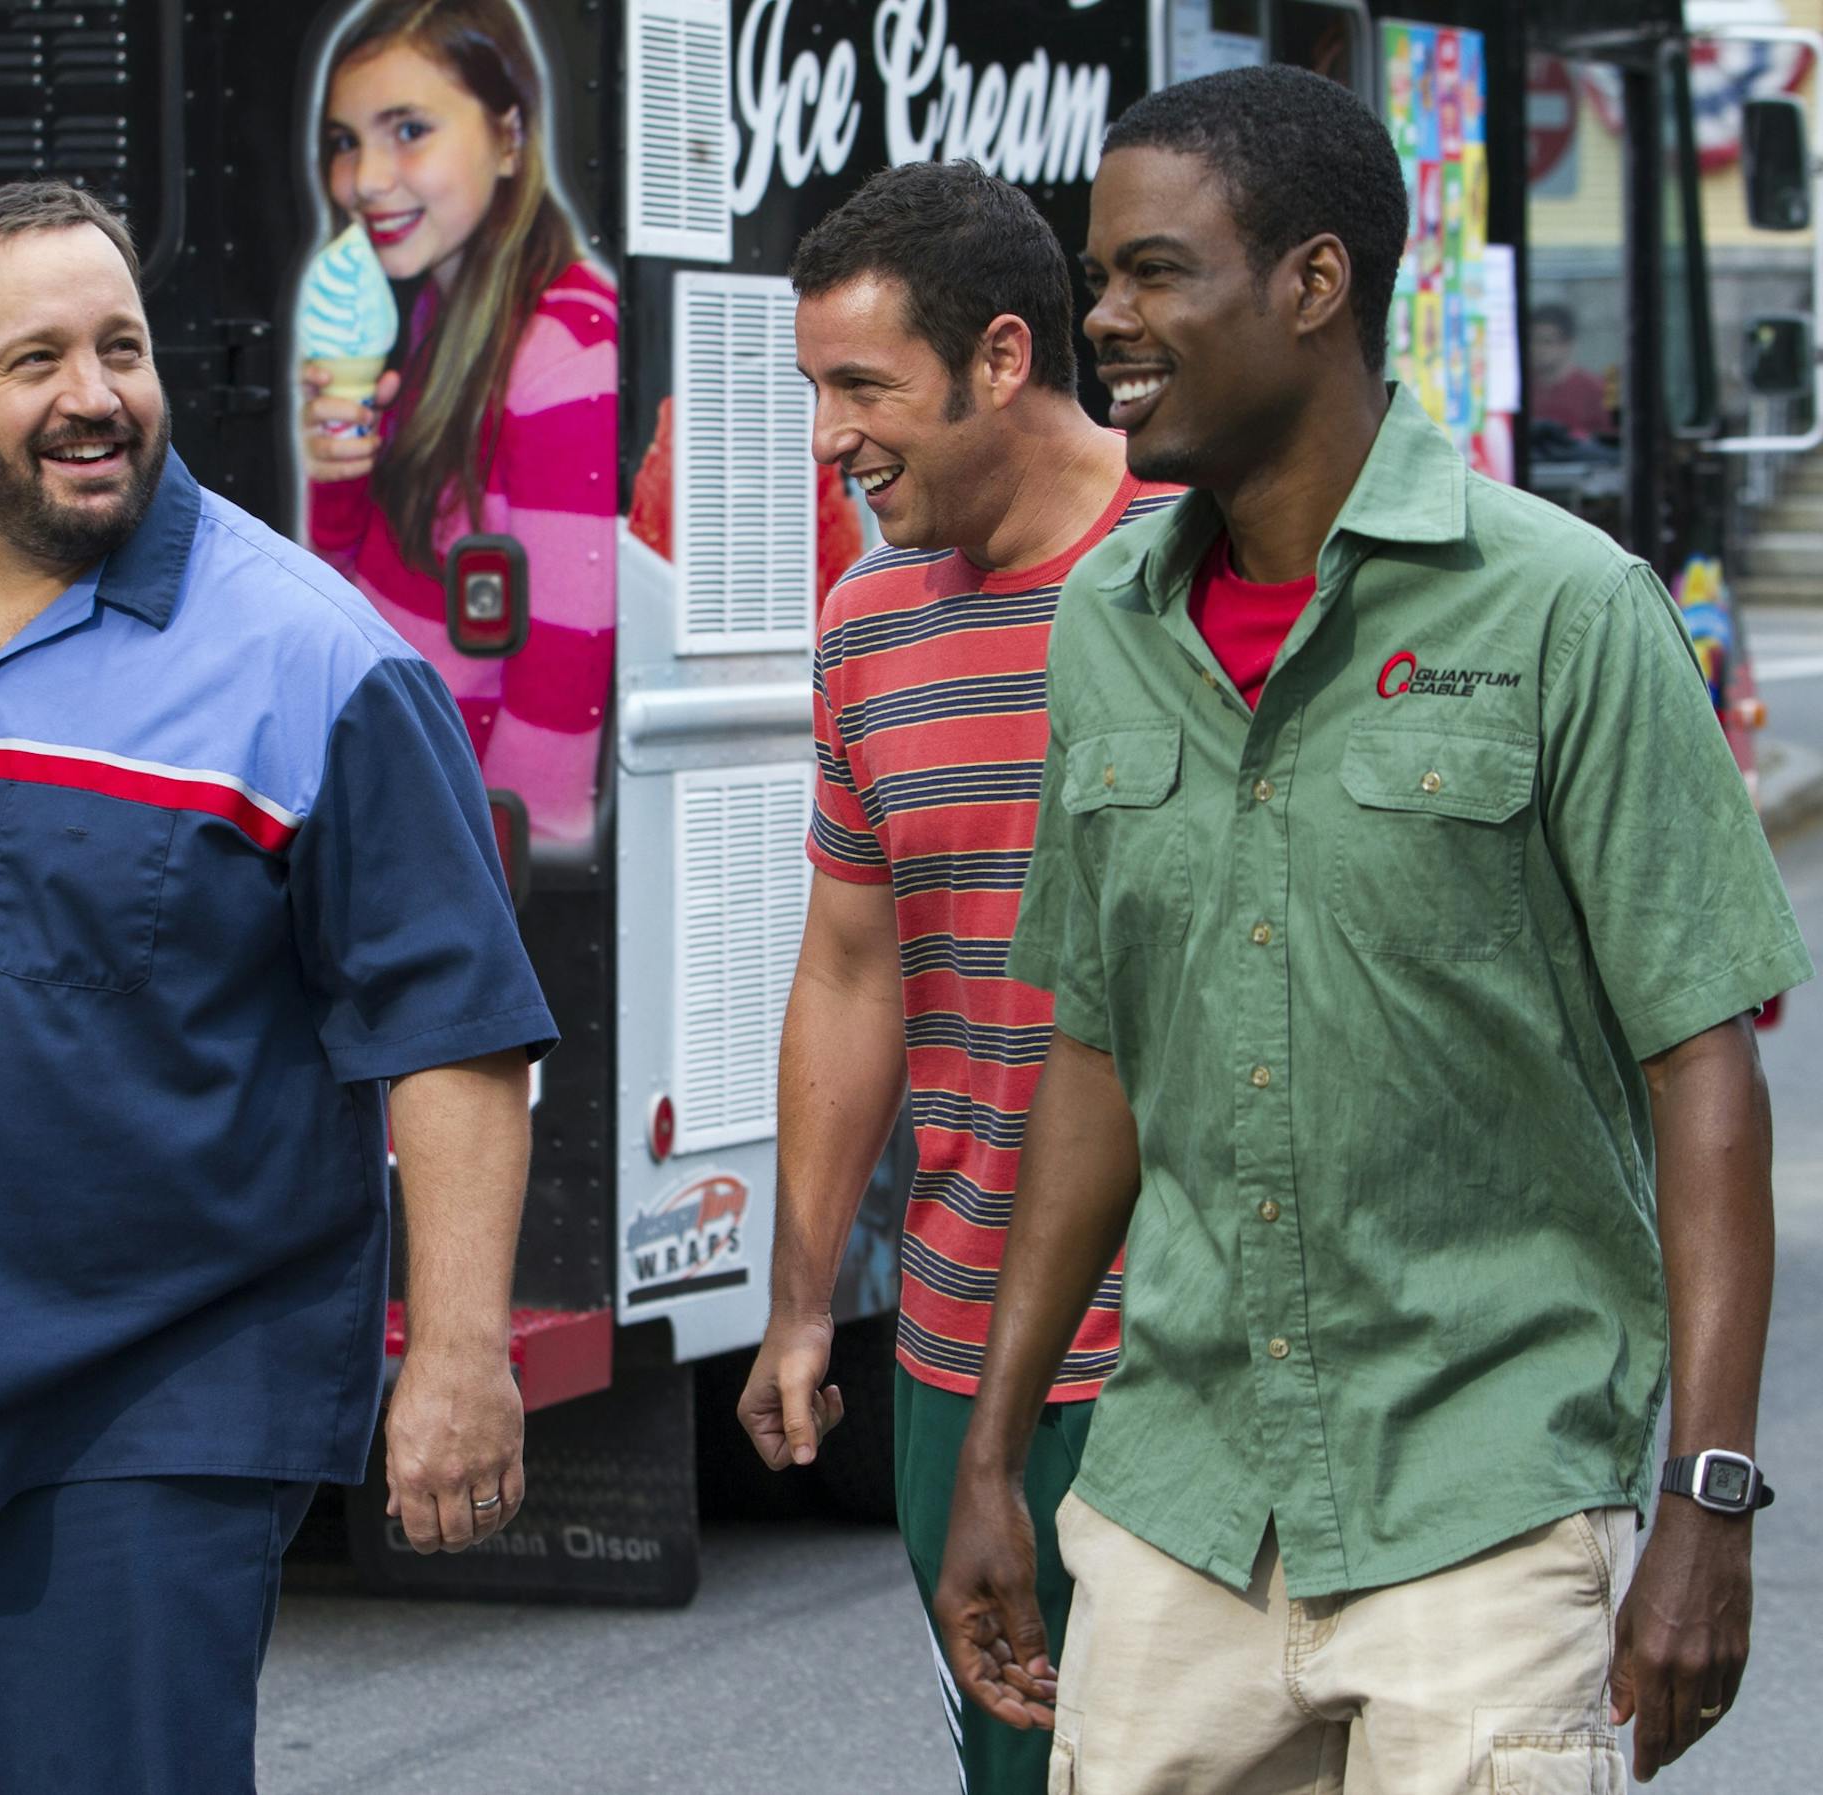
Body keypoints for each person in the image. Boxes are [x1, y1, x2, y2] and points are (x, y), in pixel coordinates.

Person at [936, 64, 1812, 1794]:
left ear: (1315, 285)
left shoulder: (1567, 609)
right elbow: (1099, 1051)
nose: (1101, 317)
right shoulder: (1106, 626)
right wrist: (992, 1442)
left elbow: (1703, 1068)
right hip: (1175, 1492)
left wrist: (1709, 1499)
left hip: (1485, 1493)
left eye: (1153, 272)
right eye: (1095, 272)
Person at [0, 181, 556, 1794]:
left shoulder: (316, 663)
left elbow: (455, 1032)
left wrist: (461, 1356)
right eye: (37, 360)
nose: (94, 398)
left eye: (122, 348)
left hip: (135, 1434)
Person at [736, 160, 1179, 1795]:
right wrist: (798, 1307)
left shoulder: (1201, 565)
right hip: (957, 1352)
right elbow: (854, 975)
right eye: (813, 389)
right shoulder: (867, 626)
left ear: (1002, 359)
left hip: (1194, 1352)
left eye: (863, 388)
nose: (826, 436)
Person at [302, 0, 616, 849]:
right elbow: (350, 592)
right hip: (396, 795)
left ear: (510, 136)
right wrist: (338, 479)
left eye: (408, 129)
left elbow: (563, 679)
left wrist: (501, 872)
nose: (365, 179)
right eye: (345, 140)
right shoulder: (430, 313)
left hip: (461, 840)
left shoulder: (563, 345)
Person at [1529, 301, 1612, 438]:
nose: (1537, 349)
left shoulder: (1596, 390)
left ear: (1568, 344)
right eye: (1532, 341)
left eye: (1547, 341)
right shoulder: (1519, 390)